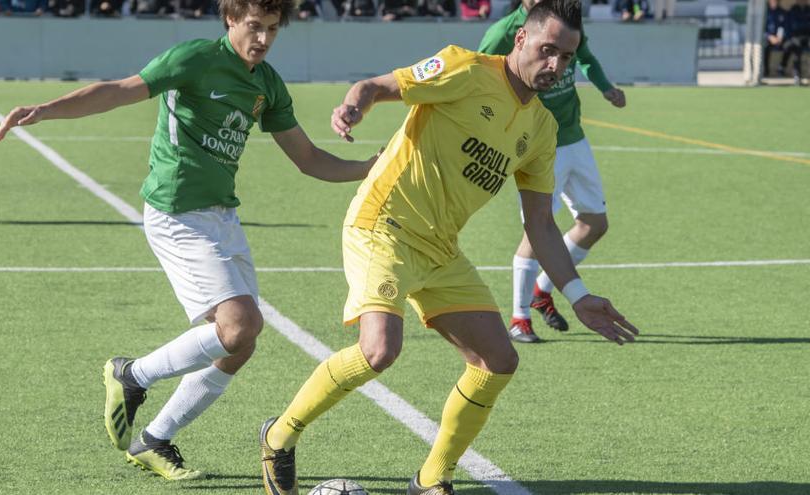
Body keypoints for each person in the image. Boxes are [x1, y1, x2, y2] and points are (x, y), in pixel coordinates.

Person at [258, 1, 639, 494]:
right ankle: (279, 434)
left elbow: (542, 224)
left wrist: (579, 294)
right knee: (379, 350)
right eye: (548, 51)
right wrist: (355, 104)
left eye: (567, 58)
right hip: (384, 225)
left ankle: (431, 478)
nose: (556, 66)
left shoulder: (542, 129)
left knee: (498, 361)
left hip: (440, 249)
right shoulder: (465, 67)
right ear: (520, 38)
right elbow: (375, 86)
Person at [0, 0, 375, 482]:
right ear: (231, 20)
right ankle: (130, 375)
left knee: (239, 345)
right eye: (255, 27)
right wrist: (45, 110)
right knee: (239, 325)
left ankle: (154, 440)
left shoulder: (267, 84)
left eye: (273, 30)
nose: (263, 39)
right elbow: (119, 91)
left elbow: (309, 159)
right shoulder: (195, 58)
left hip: (223, 216)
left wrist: (370, 167)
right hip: (177, 211)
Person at [479, 0, 626, 344]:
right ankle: (519, 318)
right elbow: (479, 74)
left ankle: (541, 289)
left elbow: (586, 58)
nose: (557, 63)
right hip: (536, 142)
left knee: (594, 223)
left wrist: (606, 87)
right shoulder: (504, 30)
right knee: (537, 228)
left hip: (574, 136)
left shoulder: (566, 24)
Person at [781, 0, 810, 84]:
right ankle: (797, 75)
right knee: (796, 51)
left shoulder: (809, 10)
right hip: (796, 36)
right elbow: (789, 25)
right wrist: (792, 36)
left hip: (809, 35)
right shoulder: (793, 9)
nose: (802, 1)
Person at [764, 0, 789, 77]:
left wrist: (781, 37)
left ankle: (782, 67)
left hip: (781, 39)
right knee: (765, 47)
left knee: (790, 45)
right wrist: (769, 36)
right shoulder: (765, 13)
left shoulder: (783, 12)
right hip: (769, 39)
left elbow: (787, 27)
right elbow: (762, 29)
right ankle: (766, 70)